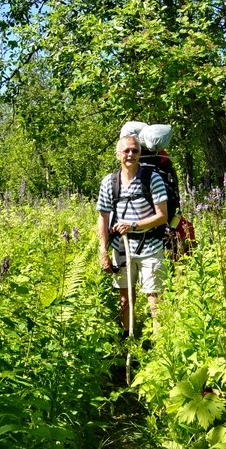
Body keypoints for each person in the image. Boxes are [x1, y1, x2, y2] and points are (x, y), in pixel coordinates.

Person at [97, 135, 168, 334]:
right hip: (121, 248)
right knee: (125, 299)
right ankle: (128, 344)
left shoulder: (152, 178)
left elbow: (162, 216)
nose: (130, 154)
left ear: (140, 153)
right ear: (117, 154)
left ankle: (160, 347)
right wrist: (103, 251)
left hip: (150, 247)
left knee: (155, 298)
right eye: (126, 151)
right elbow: (102, 218)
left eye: (135, 151)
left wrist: (134, 225)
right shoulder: (109, 183)